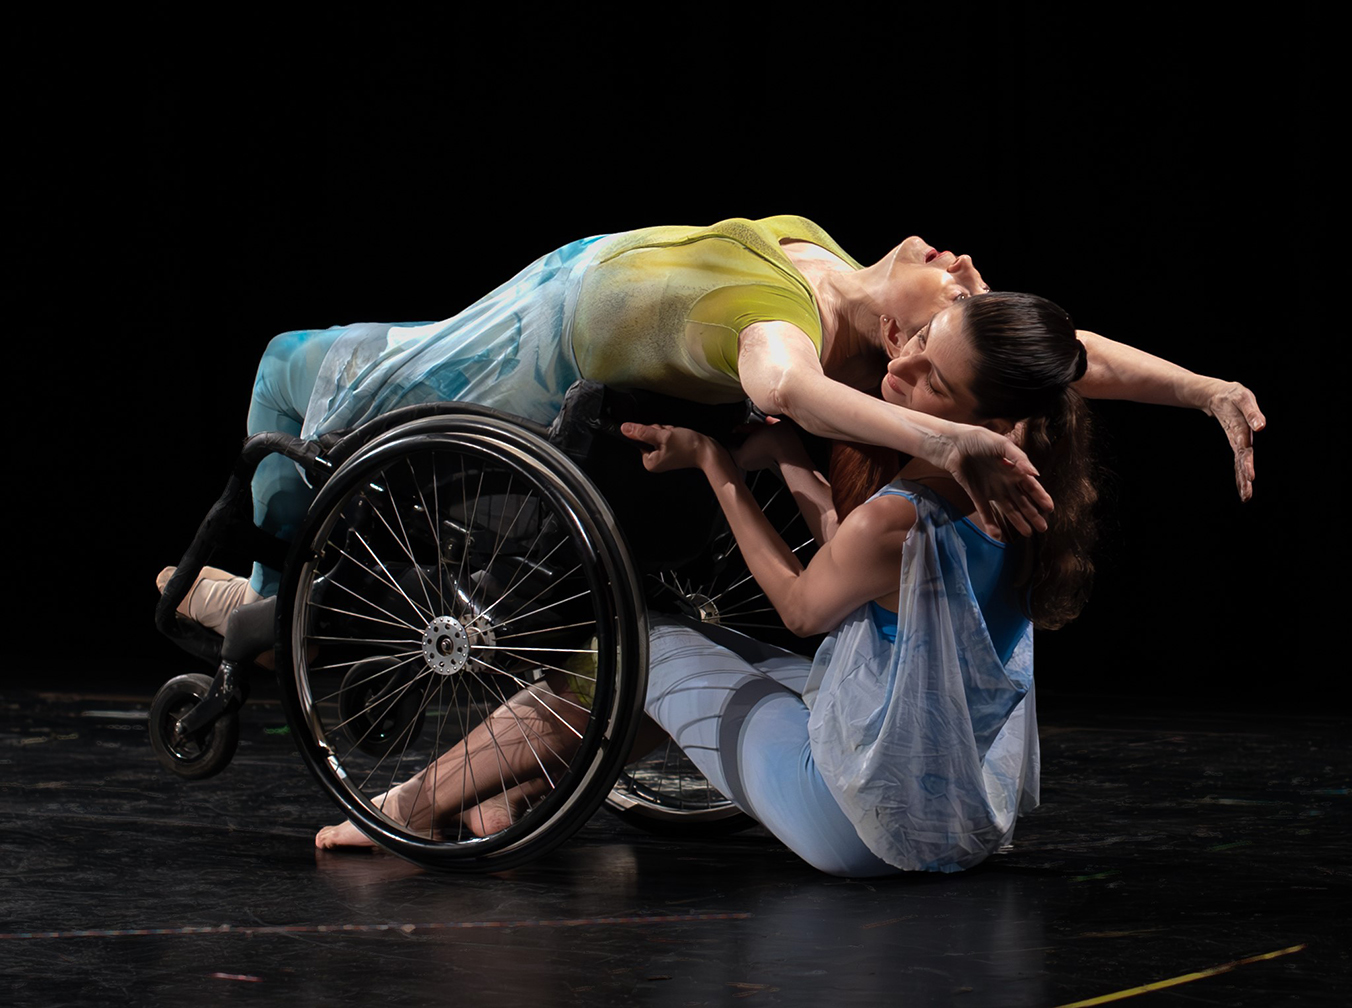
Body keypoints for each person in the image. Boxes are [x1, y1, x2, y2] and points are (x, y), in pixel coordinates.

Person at [315, 290, 1098, 876]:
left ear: (992, 428)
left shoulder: (897, 518)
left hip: (852, 821)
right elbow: (854, 556)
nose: (904, 365)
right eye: (921, 339)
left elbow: (802, 606)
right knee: (714, 661)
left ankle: (409, 807)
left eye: (934, 383)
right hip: (949, 816)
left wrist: (718, 467)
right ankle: (516, 793)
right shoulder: (1023, 497)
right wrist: (787, 457)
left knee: (632, 647)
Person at [162, 215, 1262, 629]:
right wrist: (1204, 387)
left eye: (959, 298)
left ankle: (267, 607)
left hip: (520, 351)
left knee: (288, 368)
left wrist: (954, 441)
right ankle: (274, 600)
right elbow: (1065, 354)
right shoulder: (853, 285)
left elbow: (790, 389)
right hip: (535, 292)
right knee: (305, 369)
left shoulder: (786, 328)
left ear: (907, 343)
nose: (967, 264)